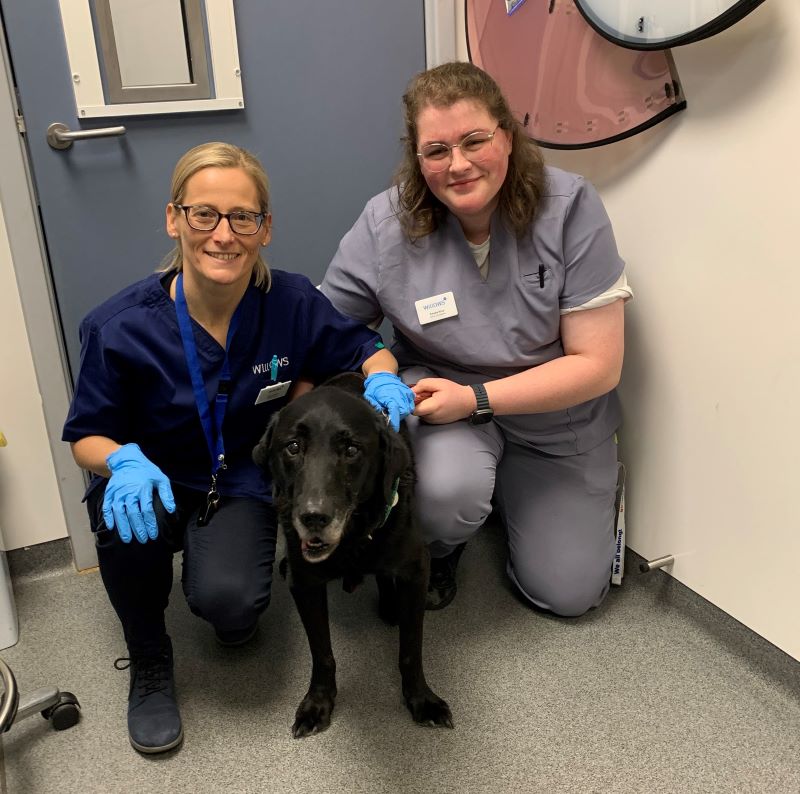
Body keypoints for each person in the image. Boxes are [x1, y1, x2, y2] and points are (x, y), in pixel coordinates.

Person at [62, 142, 413, 755]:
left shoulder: (291, 302)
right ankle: (149, 662)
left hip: (240, 479)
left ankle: (224, 597)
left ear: (265, 228)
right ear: (175, 220)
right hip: (153, 478)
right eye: (204, 215)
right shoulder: (118, 326)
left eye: (242, 217)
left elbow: (364, 347)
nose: (223, 235)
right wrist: (119, 459)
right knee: (126, 529)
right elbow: (85, 435)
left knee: (232, 604)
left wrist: (384, 376)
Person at [321, 62, 633, 618]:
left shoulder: (570, 208)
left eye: (475, 141)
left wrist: (479, 400)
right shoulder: (386, 223)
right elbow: (329, 328)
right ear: (417, 158)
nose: (457, 164)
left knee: (568, 595)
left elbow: (599, 365)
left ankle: (521, 490)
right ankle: (442, 547)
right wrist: (381, 370)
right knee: (445, 499)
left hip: (556, 414)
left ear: (507, 137)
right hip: (443, 397)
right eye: (436, 150)